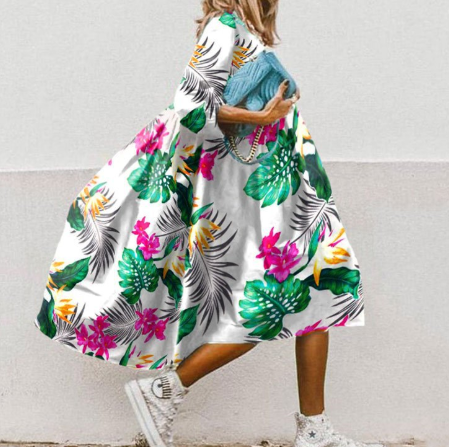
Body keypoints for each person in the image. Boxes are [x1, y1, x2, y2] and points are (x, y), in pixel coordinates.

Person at [34, 1, 384, 447]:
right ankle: (166, 390)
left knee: (326, 291)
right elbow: (189, 107)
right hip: (254, 198)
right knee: (278, 302)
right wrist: (259, 117)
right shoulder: (224, 26)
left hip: (286, 196)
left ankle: (314, 429)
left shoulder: (246, 32)